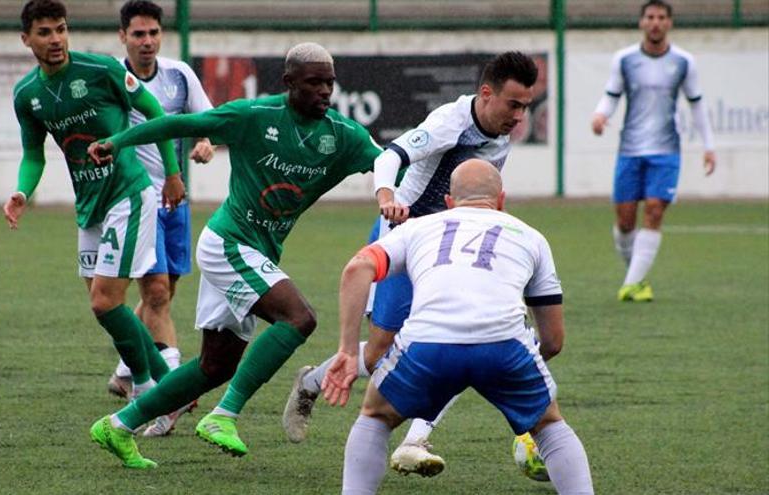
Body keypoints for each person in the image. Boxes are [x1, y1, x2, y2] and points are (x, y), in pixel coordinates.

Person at [87, 42, 384, 469]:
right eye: (314, 82)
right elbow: (181, 123)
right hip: (228, 243)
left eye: (329, 83)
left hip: (254, 251)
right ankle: (223, 415)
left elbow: (390, 163)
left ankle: (118, 425)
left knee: (215, 364)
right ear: (288, 83)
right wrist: (118, 141)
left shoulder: (343, 137)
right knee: (299, 318)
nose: (324, 91)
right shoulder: (254, 117)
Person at [283, 51, 539, 476]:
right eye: (513, 104)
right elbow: (389, 157)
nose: (518, 116)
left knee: (460, 333)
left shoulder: (500, 132)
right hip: (404, 240)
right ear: (486, 93)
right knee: (381, 351)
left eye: (525, 106)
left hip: (451, 249)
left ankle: (416, 440)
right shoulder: (450, 122)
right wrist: (387, 197)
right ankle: (311, 382)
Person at [323, 159, 594, 495]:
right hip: (504, 344)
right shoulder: (531, 236)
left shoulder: (417, 228)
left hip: (427, 343)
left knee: (375, 417)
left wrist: (349, 351)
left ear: (449, 201)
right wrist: (507, 369)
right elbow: (553, 341)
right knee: (549, 425)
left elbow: (356, 269)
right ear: (501, 200)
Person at [4, 0, 184, 415]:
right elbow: (34, 154)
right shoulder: (27, 95)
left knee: (105, 301)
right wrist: (21, 192)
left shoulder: (99, 69)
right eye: (45, 32)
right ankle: (171, 389)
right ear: (26, 39)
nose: (56, 40)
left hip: (128, 193)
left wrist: (172, 173)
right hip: (89, 206)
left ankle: (144, 390)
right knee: (109, 309)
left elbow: (153, 110)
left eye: (61, 29)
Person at [104, 0, 215, 437]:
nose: (147, 42)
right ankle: (170, 390)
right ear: (123, 37)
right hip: (135, 200)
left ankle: (125, 370)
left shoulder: (179, 74)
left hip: (175, 198)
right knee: (156, 296)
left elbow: (204, 118)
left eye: (153, 34)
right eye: (138, 35)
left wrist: (204, 140)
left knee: (164, 290)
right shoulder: (113, 78)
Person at [591, 0, 715, 302]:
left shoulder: (685, 62)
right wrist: (600, 115)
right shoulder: (625, 59)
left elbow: (697, 106)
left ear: (669, 23)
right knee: (624, 222)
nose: (656, 22)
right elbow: (611, 95)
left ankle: (629, 286)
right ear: (642, 23)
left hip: (666, 150)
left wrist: (709, 146)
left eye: (661, 17)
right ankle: (637, 279)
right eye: (650, 17)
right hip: (630, 149)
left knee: (655, 211)